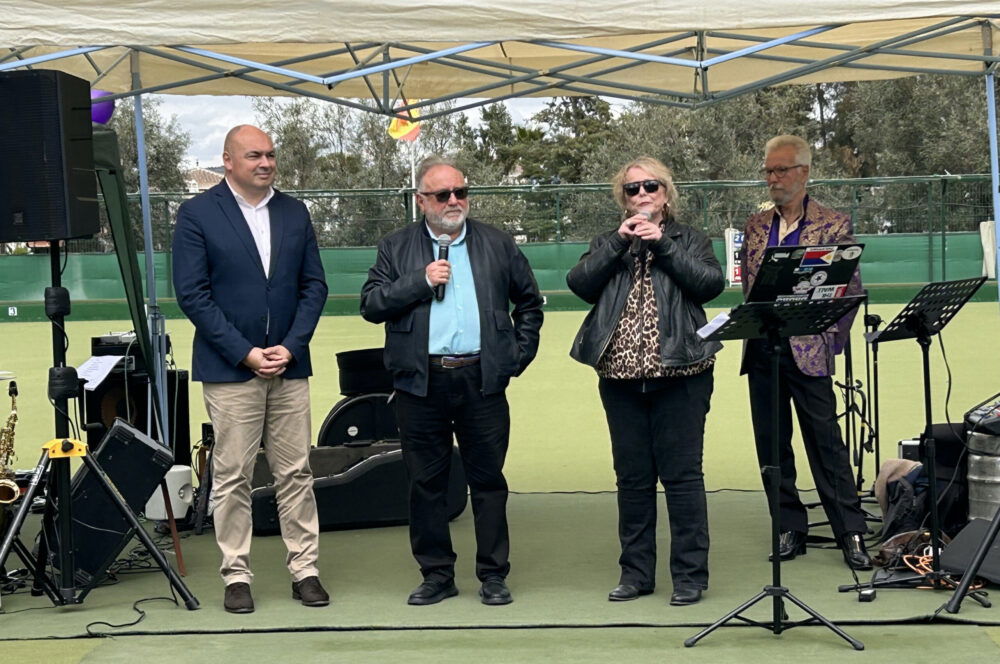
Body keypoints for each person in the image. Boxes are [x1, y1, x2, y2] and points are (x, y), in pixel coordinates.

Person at [360, 156, 543, 606]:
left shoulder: (497, 243)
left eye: (461, 192)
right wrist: (420, 281)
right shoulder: (396, 247)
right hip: (420, 383)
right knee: (426, 484)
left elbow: (529, 304)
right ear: (421, 201)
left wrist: (514, 356)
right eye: (443, 195)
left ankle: (493, 574)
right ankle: (437, 574)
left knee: (488, 481)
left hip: (482, 380)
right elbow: (372, 304)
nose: (454, 201)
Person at [172, 125, 330, 613]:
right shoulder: (197, 213)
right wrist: (245, 353)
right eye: (254, 155)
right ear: (228, 161)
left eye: (271, 155)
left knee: (296, 472)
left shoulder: (294, 212)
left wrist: (291, 346)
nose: (266, 163)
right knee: (233, 475)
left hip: (289, 367)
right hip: (230, 370)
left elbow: (314, 287)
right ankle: (236, 575)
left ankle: (305, 570)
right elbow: (192, 294)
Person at [567, 157, 724, 606]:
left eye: (650, 186)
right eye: (632, 189)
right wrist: (620, 242)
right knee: (632, 480)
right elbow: (580, 283)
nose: (642, 195)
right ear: (623, 198)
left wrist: (664, 245)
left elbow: (709, 285)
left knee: (683, 477)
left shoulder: (690, 239)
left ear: (666, 193)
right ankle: (636, 574)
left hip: (681, 375)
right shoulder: (607, 242)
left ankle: (690, 576)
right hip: (620, 380)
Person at [739, 134, 872, 570]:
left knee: (826, 443)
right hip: (763, 349)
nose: (772, 179)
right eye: (768, 171)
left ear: (804, 172)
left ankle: (850, 531)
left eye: (780, 170)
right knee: (771, 446)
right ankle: (788, 526)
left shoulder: (833, 224)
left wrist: (828, 342)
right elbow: (751, 289)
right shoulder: (755, 226)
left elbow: (848, 292)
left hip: (810, 352)